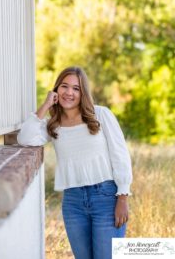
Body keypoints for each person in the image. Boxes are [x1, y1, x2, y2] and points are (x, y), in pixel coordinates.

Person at [17, 66, 132, 259]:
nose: (69, 92)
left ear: (83, 93)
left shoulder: (100, 115)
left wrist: (123, 197)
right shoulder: (53, 124)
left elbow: (120, 155)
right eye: (64, 86)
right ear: (56, 90)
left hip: (106, 197)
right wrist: (45, 105)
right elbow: (25, 137)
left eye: (76, 88)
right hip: (73, 202)